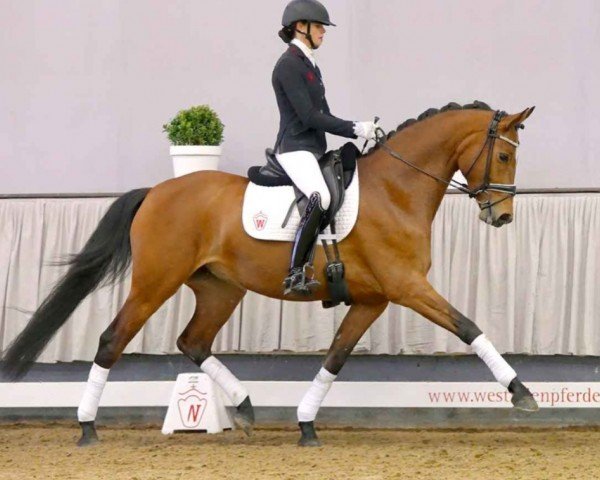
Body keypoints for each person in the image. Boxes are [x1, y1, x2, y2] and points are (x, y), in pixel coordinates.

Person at [273, 0, 377, 295]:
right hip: (294, 148)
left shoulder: (310, 65)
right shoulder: (289, 65)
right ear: (300, 27)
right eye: (319, 26)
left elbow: (325, 114)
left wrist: (360, 129)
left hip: (313, 148)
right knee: (320, 197)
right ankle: (295, 271)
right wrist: (353, 128)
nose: (323, 32)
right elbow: (309, 117)